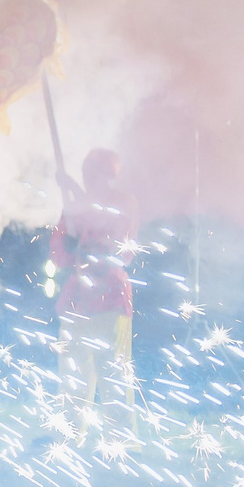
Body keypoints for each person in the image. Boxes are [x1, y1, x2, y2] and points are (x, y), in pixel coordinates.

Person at [54, 147, 138, 427]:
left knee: (113, 375)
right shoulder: (75, 207)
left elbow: (119, 249)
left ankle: (120, 443)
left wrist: (76, 194)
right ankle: (67, 437)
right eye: (87, 175)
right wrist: (69, 245)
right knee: (72, 376)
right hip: (77, 300)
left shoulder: (124, 203)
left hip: (111, 299)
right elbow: (59, 254)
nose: (92, 180)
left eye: (97, 174)